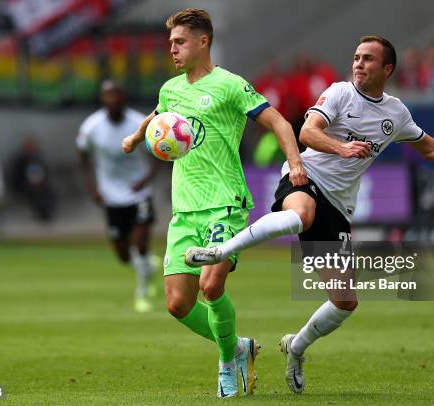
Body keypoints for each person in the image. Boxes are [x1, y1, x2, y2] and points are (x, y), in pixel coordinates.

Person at [185, 35, 434, 394]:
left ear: (387, 69)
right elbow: (308, 132)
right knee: (301, 216)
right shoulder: (340, 93)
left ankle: (295, 348)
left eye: (368, 59)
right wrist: (341, 148)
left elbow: (430, 148)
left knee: (344, 302)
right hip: (304, 178)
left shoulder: (396, 113)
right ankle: (223, 250)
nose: (359, 63)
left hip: (339, 206)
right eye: (357, 57)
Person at [121, 8, 306, 398]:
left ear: (203, 41)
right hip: (184, 209)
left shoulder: (230, 86)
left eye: (180, 41)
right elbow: (155, 117)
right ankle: (238, 345)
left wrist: (294, 165)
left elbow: (280, 124)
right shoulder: (171, 90)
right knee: (176, 304)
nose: (172, 49)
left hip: (225, 204)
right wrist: (136, 138)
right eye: (170, 42)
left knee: (211, 284)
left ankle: (226, 363)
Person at [77, 79, 158, 313]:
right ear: (102, 99)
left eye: (116, 94)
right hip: (111, 197)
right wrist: (93, 189)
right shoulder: (92, 126)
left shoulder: (138, 122)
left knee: (141, 244)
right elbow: (82, 156)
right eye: (108, 95)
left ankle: (142, 293)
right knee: (123, 255)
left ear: (124, 97)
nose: (112, 99)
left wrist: (146, 179)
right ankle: (147, 269)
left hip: (138, 193)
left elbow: (159, 151)